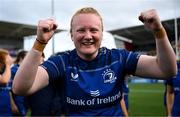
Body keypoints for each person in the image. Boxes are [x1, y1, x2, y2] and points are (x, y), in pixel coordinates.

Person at [12, 7, 177, 116]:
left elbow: (166, 70)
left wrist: (158, 30)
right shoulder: (62, 61)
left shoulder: (118, 57)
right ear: (71, 35)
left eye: (93, 30)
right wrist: (40, 42)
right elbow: (20, 87)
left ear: (102, 33)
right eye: (81, 30)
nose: (88, 36)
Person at [10, 50, 28, 116]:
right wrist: (13, 105)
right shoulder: (13, 70)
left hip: (25, 101)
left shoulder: (26, 69)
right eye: (28, 57)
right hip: (17, 101)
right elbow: (9, 90)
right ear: (21, 58)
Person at [0, 49, 14, 116]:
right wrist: (8, 65)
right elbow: (4, 80)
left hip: (5, 109)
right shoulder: (7, 68)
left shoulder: (4, 70)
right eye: (7, 56)